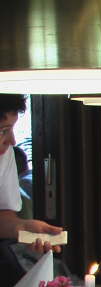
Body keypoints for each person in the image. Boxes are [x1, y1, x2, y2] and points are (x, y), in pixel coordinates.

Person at [0, 94, 62, 253]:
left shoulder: (4, 154)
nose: (12, 141)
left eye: (11, 129)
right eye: (3, 131)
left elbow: (3, 213)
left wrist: (22, 227)